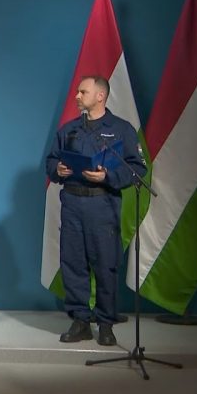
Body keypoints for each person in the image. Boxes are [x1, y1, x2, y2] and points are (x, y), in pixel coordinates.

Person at [46, 75, 146, 346]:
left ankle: (105, 324)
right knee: (73, 263)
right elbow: (51, 161)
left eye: (83, 92)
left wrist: (108, 177)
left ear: (100, 96)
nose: (77, 96)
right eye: (78, 92)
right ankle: (80, 321)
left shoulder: (121, 129)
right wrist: (58, 169)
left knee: (105, 265)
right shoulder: (68, 130)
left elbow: (137, 169)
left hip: (103, 204)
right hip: (73, 203)